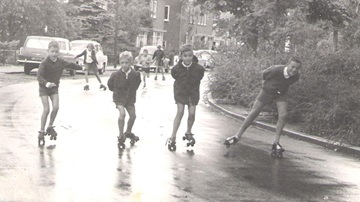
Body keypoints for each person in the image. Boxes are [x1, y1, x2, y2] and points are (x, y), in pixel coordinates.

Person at [224, 57, 302, 154]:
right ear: (288, 64)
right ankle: (237, 136)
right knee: (254, 113)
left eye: (297, 68)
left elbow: (288, 83)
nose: (294, 70)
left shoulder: (296, 76)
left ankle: (276, 142)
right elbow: (264, 75)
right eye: (292, 67)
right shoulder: (276, 69)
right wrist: (267, 86)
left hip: (281, 93)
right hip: (267, 91)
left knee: (283, 115)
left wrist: (280, 90)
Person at [37, 41, 81, 146]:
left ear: (58, 52)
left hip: (54, 88)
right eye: (52, 52)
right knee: (46, 109)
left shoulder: (60, 61)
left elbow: (70, 65)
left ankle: (50, 126)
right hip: (44, 88)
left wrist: (80, 67)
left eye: (56, 52)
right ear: (48, 51)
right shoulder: (44, 63)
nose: (54, 54)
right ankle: (42, 131)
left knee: (56, 107)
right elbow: (39, 76)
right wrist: (46, 83)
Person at [166, 44, 205, 151]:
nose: (188, 58)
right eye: (185, 56)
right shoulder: (177, 69)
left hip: (193, 93)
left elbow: (200, 77)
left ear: (192, 56)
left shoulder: (198, 69)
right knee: (180, 112)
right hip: (181, 92)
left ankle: (188, 131)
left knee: (192, 113)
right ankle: (173, 136)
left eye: (190, 56)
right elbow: (174, 75)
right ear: (181, 56)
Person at [107, 51, 142, 149]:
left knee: (133, 116)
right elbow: (110, 85)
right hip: (119, 98)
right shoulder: (116, 74)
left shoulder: (135, 74)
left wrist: (131, 92)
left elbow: (137, 84)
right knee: (122, 114)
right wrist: (117, 92)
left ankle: (128, 131)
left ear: (130, 63)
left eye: (126, 63)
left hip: (130, 98)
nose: (124, 65)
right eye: (122, 63)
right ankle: (121, 134)